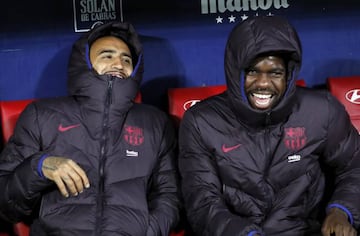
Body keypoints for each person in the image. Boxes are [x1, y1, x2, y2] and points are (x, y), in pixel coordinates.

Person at [178, 16, 360, 236]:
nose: (263, 83)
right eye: (253, 71)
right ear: (236, 73)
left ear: (289, 75)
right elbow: (202, 200)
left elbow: (354, 166)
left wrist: (341, 211)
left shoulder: (322, 110)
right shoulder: (201, 121)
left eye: (275, 73)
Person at [0, 21, 180, 235]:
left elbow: (171, 197)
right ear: (84, 62)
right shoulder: (42, 115)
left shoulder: (155, 122)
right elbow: (6, 205)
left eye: (127, 59)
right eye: (107, 55)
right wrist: (38, 167)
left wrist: (148, 231)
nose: (119, 64)